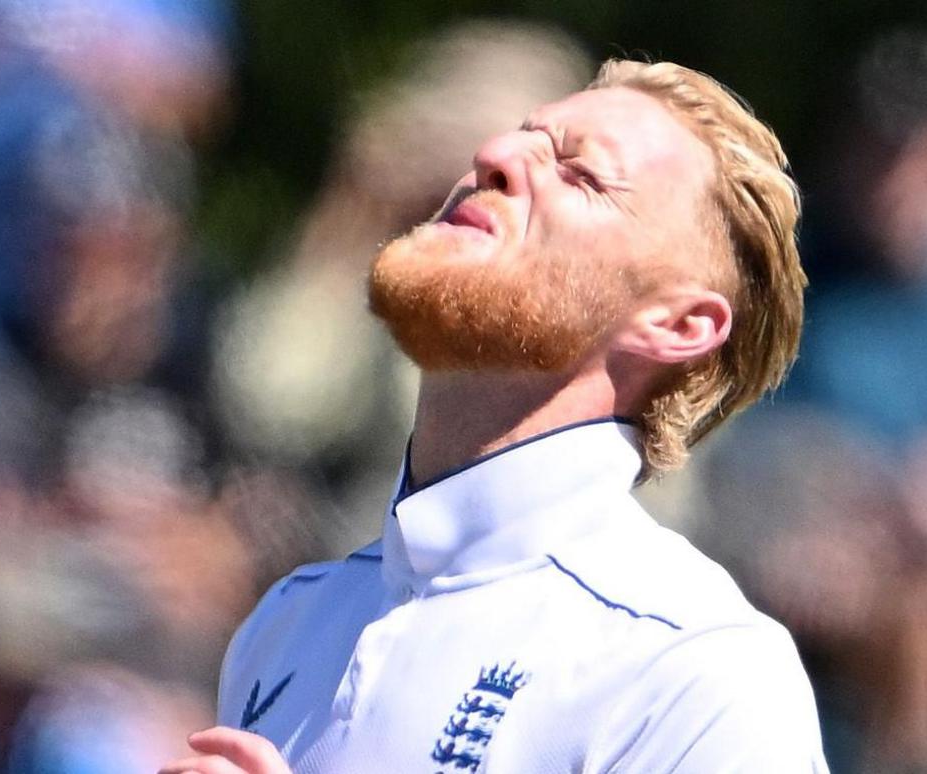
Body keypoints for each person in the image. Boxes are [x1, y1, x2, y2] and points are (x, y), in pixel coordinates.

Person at [159, 58, 827, 773]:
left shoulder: (694, 670)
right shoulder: (289, 623)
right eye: (521, 138)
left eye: (581, 174)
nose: (494, 156)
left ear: (678, 325)